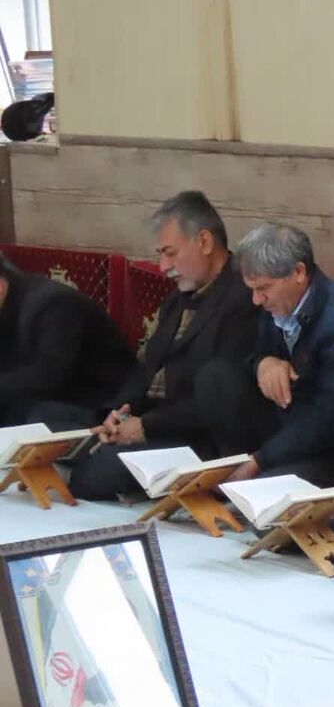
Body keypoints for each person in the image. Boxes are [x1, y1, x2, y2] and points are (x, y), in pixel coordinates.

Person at [68, 191, 260, 500]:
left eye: (170, 253)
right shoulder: (178, 298)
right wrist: (120, 413)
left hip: (200, 436)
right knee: (59, 427)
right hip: (155, 421)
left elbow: (219, 399)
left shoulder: (246, 297)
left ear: (204, 242)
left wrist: (146, 426)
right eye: (160, 255)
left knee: (93, 474)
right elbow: (148, 369)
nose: (162, 267)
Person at [209, 223, 334, 488]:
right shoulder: (279, 304)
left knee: (264, 491)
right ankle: (235, 473)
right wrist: (263, 363)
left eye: (263, 288)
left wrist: (260, 460)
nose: (256, 300)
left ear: (298, 272)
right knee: (216, 377)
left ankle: (248, 476)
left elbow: (333, 420)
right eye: (252, 289)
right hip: (290, 424)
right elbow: (251, 352)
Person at [0, 250, 136, 428]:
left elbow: (48, 376)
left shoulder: (53, 304)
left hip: (99, 403)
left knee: (36, 417)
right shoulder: (9, 300)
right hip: (40, 398)